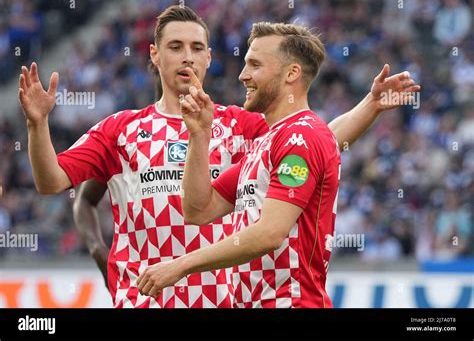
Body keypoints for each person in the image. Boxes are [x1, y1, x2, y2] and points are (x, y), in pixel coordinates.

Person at [19, 6, 419, 308]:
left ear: (210, 58)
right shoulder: (121, 129)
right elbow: (51, 181)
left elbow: (315, 144)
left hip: (221, 298)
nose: (187, 57)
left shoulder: (245, 126)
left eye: (197, 48)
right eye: (175, 47)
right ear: (155, 56)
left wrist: (368, 106)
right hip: (144, 298)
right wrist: (38, 126)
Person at [137, 21, 419, 308]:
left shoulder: (302, 136)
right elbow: (198, 210)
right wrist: (199, 136)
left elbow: (270, 233)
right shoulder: (268, 145)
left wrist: (180, 266)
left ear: (292, 73)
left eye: (254, 65)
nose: (243, 75)